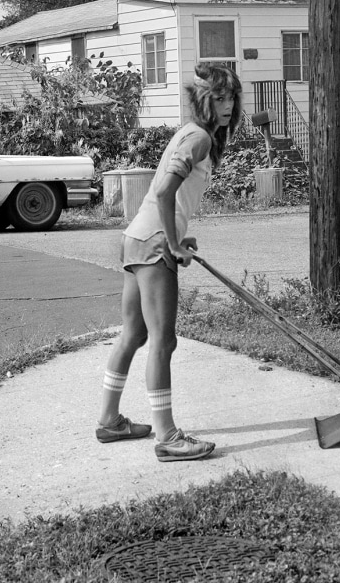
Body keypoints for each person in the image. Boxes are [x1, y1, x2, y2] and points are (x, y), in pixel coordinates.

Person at [96, 61, 243, 462]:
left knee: (134, 334)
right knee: (164, 339)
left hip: (137, 238)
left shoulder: (193, 135)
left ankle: (110, 421)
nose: (227, 104)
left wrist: (178, 235)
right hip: (154, 244)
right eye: (219, 97)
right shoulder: (198, 138)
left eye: (231, 96)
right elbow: (162, 192)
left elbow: (167, 199)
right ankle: (167, 437)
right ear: (203, 99)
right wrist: (173, 243)